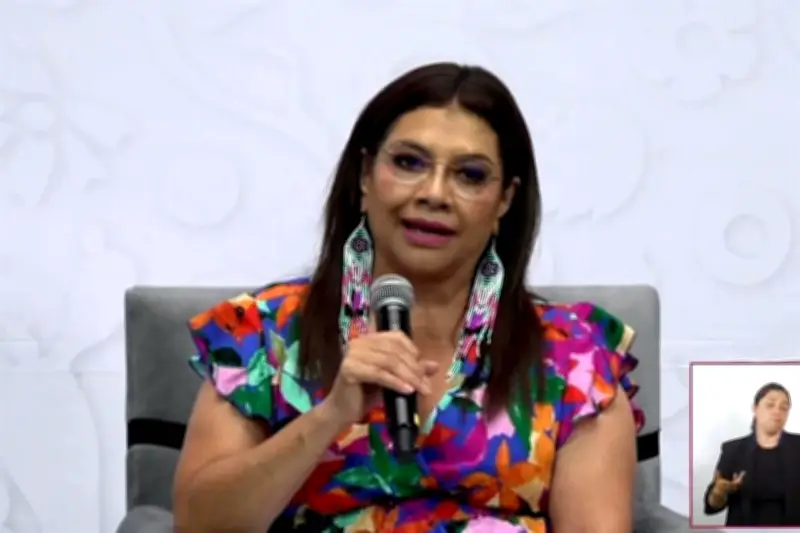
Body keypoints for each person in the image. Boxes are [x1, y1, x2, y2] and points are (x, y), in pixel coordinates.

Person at [172, 62, 644, 533]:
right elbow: (198, 526)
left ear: (504, 200)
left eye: (470, 175)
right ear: (365, 174)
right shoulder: (264, 333)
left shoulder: (573, 358)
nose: (434, 194)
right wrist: (329, 417)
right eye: (409, 163)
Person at [704, 381, 800, 526]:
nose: (777, 411)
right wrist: (719, 492)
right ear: (755, 408)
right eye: (770, 405)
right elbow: (712, 507)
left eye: (784, 407)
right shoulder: (732, 450)